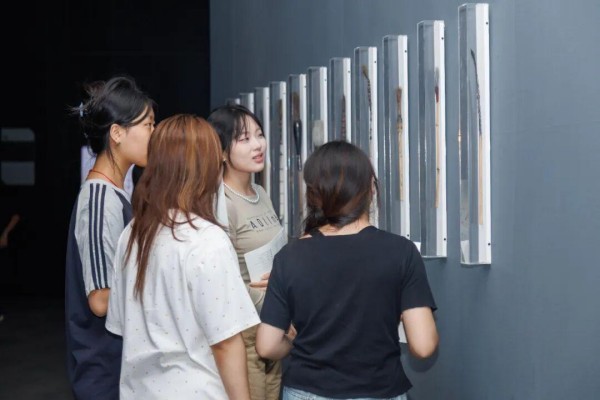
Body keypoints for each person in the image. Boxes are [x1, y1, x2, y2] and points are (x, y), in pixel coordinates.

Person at [256, 140, 439, 400]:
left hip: (306, 391)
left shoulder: (289, 256)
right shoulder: (401, 252)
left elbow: (266, 346)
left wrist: (294, 341)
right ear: (371, 188)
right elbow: (423, 345)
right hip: (380, 391)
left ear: (314, 196)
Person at [106, 114, 259, 399]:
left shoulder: (132, 233)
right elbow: (226, 344)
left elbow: (120, 324)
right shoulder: (207, 240)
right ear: (206, 168)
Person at [64, 76, 156, 400]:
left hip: (119, 368)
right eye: (148, 125)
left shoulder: (115, 194)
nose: (154, 133)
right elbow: (101, 300)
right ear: (117, 133)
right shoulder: (99, 199)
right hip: (104, 373)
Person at [207, 104, 283, 400]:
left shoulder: (261, 193)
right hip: (244, 333)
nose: (257, 145)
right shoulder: (220, 202)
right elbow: (222, 281)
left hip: (273, 325)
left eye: (259, 134)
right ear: (223, 152)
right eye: (244, 138)